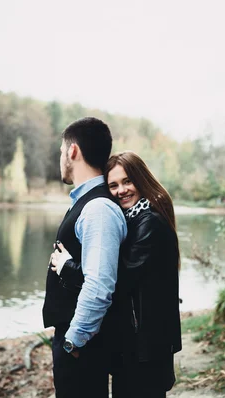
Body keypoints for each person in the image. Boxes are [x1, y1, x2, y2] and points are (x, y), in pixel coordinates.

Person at [50, 150, 182, 398]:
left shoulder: (149, 223)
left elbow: (117, 279)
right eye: (113, 185)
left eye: (127, 181)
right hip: (135, 344)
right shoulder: (133, 219)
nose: (121, 190)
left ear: (141, 180)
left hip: (145, 347)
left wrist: (68, 268)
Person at [42, 117, 127, 398]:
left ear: (73, 152)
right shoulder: (87, 203)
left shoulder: (98, 208)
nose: (61, 158)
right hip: (78, 342)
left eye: (61, 151)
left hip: (83, 346)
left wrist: (73, 341)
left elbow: (100, 285)